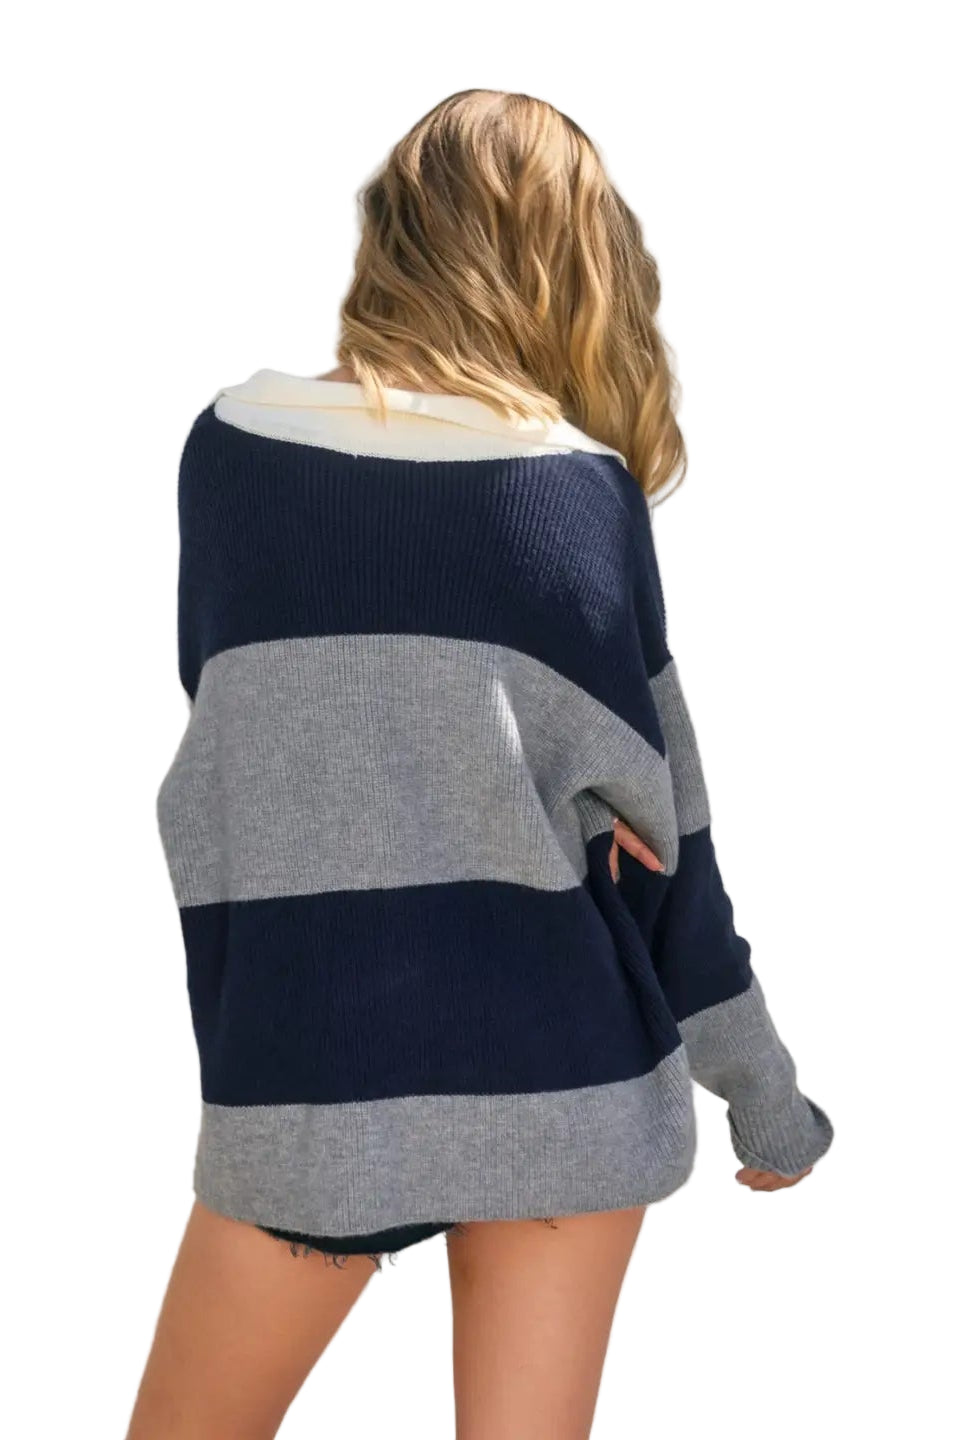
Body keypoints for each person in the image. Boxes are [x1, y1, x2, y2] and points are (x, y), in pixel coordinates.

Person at [127, 88, 833, 1440]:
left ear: (395, 236)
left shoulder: (228, 453)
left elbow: (259, 739)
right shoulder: (576, 494)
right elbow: (670, 850)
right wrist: (767, 1100)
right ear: (578, 263)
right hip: (562, 1077)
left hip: (308, 1064)